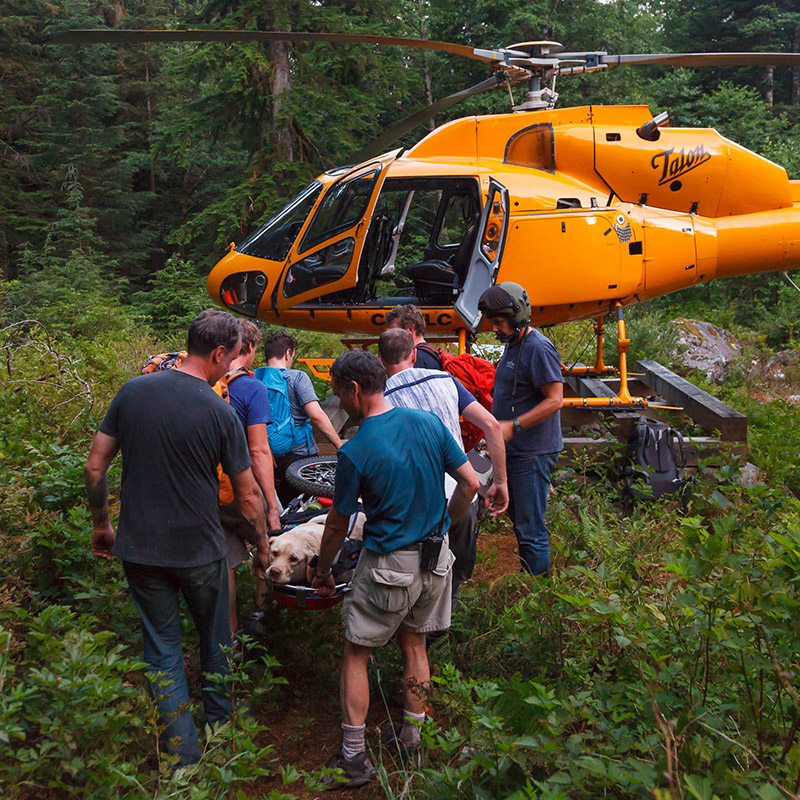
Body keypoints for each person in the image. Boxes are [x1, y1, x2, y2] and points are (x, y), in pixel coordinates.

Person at [84, 309, 269, 767]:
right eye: (230, 360)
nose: (231, 369)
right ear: (220, 353)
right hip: (200, 549)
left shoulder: (132, 392)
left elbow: (94, 466)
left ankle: (183, 756)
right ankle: (221, 726)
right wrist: (263, 544)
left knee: (162, 649)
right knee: (215, 641)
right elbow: (247, 499)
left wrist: (102, 524)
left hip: (140, 547)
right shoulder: (220, 411)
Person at [311, 350, 480, 789]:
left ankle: (352, 757)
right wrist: (445, 524)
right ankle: (412, 736)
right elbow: (471, 483)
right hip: (435, 560)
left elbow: (337, 523)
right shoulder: (425, 423)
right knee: (415, 646)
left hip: (389, 565)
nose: (340, 403)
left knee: (356, 651)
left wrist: (324, 569)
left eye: (338, 394)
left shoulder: (357, 449)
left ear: (354, 389)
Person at [378, 327, 509, 609]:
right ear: (414, 354)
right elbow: (492, 425)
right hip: (463, 493)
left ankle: (419, 629)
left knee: (420, 573)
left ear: (380, 359)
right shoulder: (446, 380)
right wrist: (500, 481)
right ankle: (449, 621)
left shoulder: (381, 398)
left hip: (416, 507)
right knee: (456, 571)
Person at [477, 282, 563, 575]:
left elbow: (555, 400)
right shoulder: (514, 345)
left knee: (530, 527)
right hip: (513, 450)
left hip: (532, 452)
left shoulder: (538, 348)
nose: (495, 329)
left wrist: (514, 425)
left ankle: (537, 597)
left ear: (517, 317)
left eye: (499, 323)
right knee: (520, 519)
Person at [221, 320, 281, 638]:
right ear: (250, 348)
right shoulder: (251, 387)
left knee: (226, 562)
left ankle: (227, 638)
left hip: (208, 489)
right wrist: (271, 505)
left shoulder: (206, 381)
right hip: (242, 488)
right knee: (270, 544)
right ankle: (259, 615)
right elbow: (258, 451)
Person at [262, 330, 343, 505]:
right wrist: (339, 444)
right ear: (288, 353)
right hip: (300, 460)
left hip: (268, 459)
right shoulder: (296, 377)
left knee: (281, 508)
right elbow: (317, 415)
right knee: (305, 507)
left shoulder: (256, 380)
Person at [385, 304, 442, 370]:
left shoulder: (415, 359)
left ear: (410, 329)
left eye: (394, 330)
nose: (390, 334)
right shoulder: (430, 355)